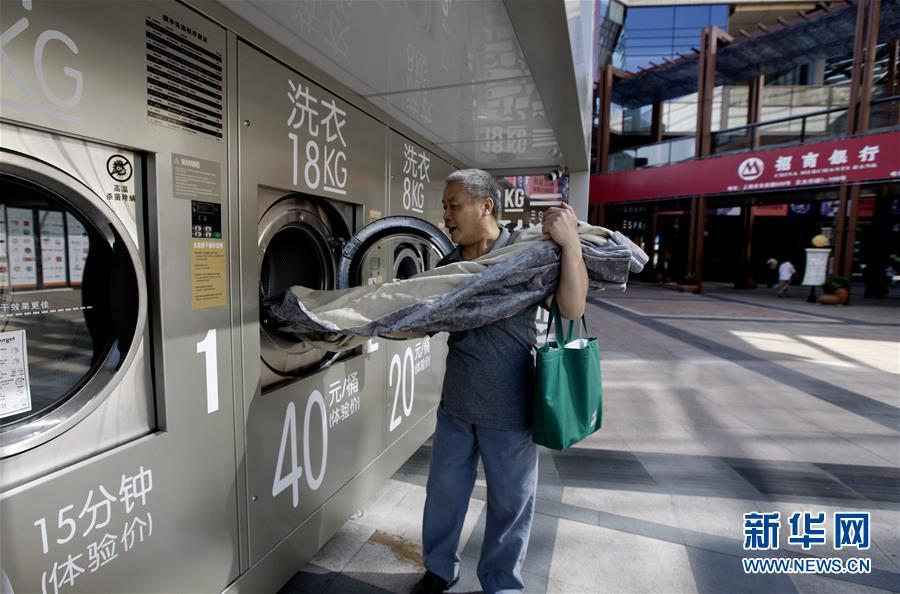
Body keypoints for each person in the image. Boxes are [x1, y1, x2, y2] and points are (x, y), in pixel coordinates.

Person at [409, 169, 587, 594]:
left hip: (511, 410)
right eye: (445, 206)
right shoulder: (450, 265)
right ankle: (439, 569)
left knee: (510, 504)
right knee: (444, 495)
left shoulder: (525, 255)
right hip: (457, 405)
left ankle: (501, 583)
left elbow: (572, 307)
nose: (446, 215)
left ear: (485, 205)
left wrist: (571, 245)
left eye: (453, 205)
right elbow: (422, 324)